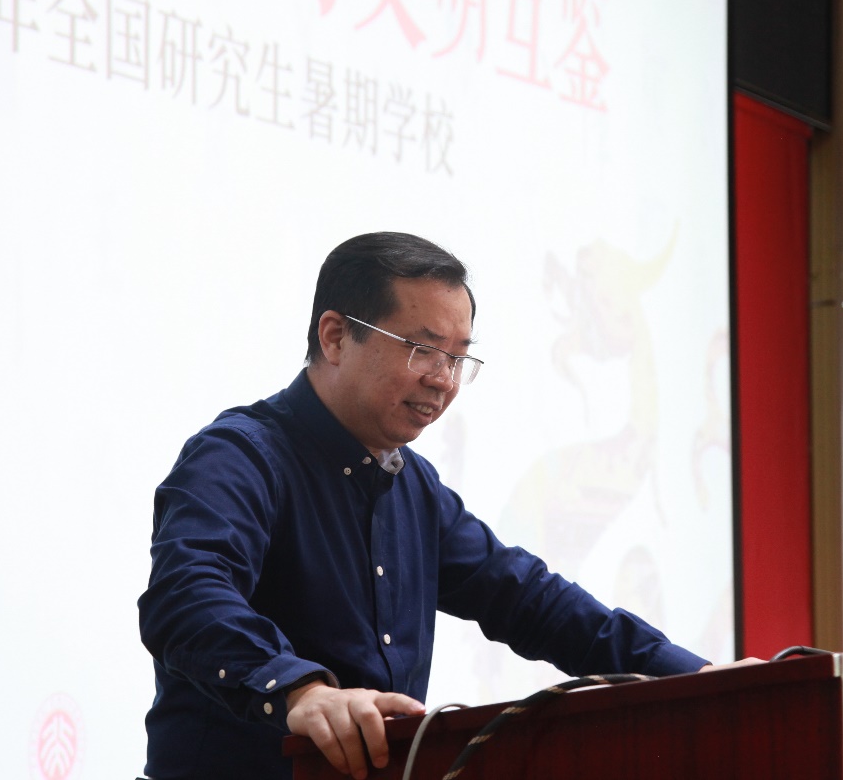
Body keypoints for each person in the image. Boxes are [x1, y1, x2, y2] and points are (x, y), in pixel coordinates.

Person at [138, 232, 738, 780]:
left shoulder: (414, 487)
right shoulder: (241, 456)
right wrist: (301, 691)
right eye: (422, 349)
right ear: (335, 337)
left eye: (457, 358)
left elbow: (531, 600)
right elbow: (186, 596)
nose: (443, 380)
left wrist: (699, 677)